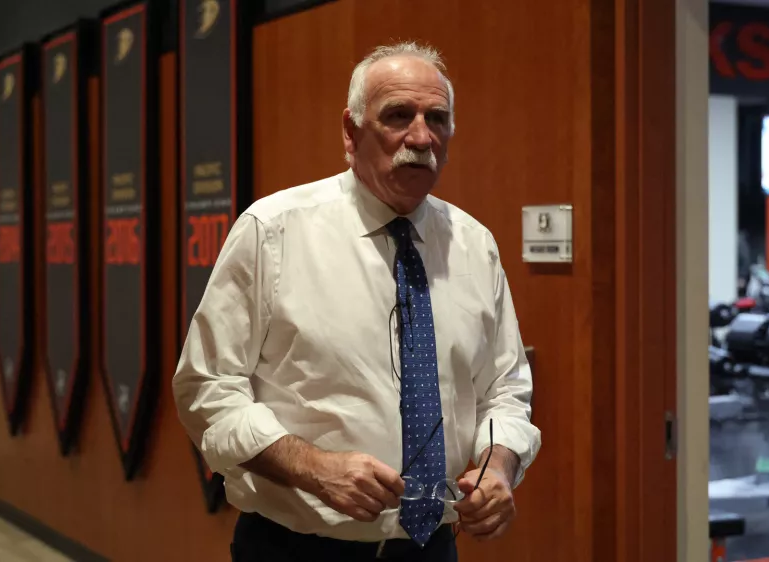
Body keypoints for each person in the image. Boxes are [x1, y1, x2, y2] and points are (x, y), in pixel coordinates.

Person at [173, 41, 541, 562]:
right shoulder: (273, 231)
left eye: (437, 118)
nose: (421, 136)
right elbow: (206, 390)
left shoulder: (474, 245)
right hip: (296, 550)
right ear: (350, 132)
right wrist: (315, 469)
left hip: (431, 547)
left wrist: (499, 467)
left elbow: (506, 389)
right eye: (398, 116)